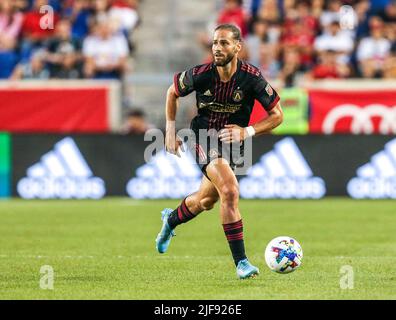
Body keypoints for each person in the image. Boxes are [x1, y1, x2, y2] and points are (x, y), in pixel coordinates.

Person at [156, 24, 283, 279]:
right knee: (229, 190)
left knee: (206, 201)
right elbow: (172, 92)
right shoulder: (201, 74)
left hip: (234, 143)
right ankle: (242, 263)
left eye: (224, 43)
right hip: (203, 137)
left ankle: (170, 221)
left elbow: (277, 116)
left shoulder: (251, 77)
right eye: (215, 42)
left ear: (238, 47)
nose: (217, 48)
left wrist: (246, 131)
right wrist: (170, 130)